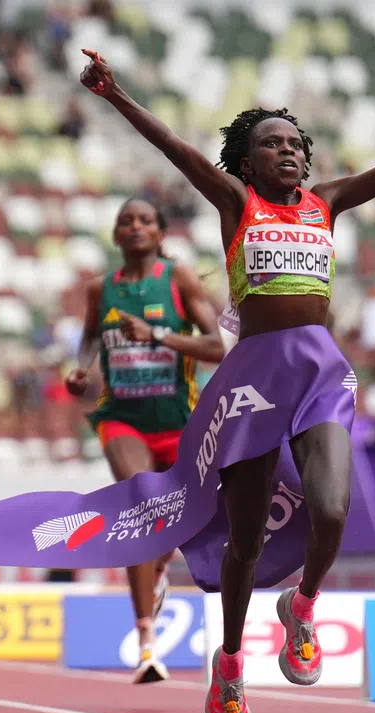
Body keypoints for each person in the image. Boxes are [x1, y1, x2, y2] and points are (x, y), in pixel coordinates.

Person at [79, 49, 375, 713]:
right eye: (272, 145)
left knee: (332, 508)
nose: (289, 153)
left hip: (318, 370)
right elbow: (178, 150)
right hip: (256, 377)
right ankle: (231, 663)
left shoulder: (326, 202)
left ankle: (301, 608)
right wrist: (116, 93)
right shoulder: (236, 201)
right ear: (247, 161)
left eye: (296, 144)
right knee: (242, 541)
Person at [65, 197, 226, 684]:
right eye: (125, 222)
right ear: (116, 237)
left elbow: (217, 347)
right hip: (122, 420)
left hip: (180, 422)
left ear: (160, 234)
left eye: (144, 221)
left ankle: (159, 567)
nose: (134, 227)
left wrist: (157, 334)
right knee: (141, 505)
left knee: (175, 524)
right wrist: (83, 369)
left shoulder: (178, 280)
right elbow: (92, 336)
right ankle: (145, 642)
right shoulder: (101, 290)